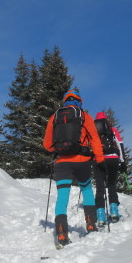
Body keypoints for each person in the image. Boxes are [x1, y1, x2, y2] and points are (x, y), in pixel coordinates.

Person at [43, 89, 105, 245]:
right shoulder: (84, 116)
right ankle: (91, 224)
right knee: (87, 190)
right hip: (82, 161)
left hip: (62, 163)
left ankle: (62, 233)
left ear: (65, 102)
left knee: (62, 197)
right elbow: (95, 139)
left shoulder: (54, 117)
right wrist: (99, 158)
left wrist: (58, 149)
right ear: (79, 102)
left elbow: (47, 144)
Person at [93, 112, 126, 224]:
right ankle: (114, 211)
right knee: (111, 184)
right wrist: (123, 162)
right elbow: (120, 145)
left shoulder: (94, 130)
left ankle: (101, 215)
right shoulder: (113, 130)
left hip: (99, 159)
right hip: (113, 158)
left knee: (100, 187)